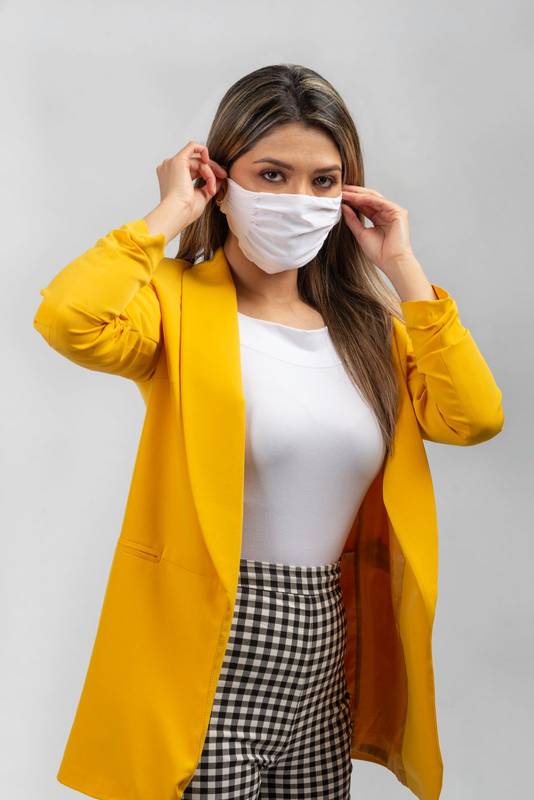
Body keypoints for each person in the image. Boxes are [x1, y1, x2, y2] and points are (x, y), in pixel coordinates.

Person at [33, 63, 504, 800]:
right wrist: (169, 213)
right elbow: (70, 319)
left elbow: (474, 417)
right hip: (208, 648)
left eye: (323, 181)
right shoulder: (172, 304)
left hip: (325, 643)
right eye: (273, 175)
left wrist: (403, 267)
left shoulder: (369, 331)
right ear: (220, 180)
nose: (298, 200)